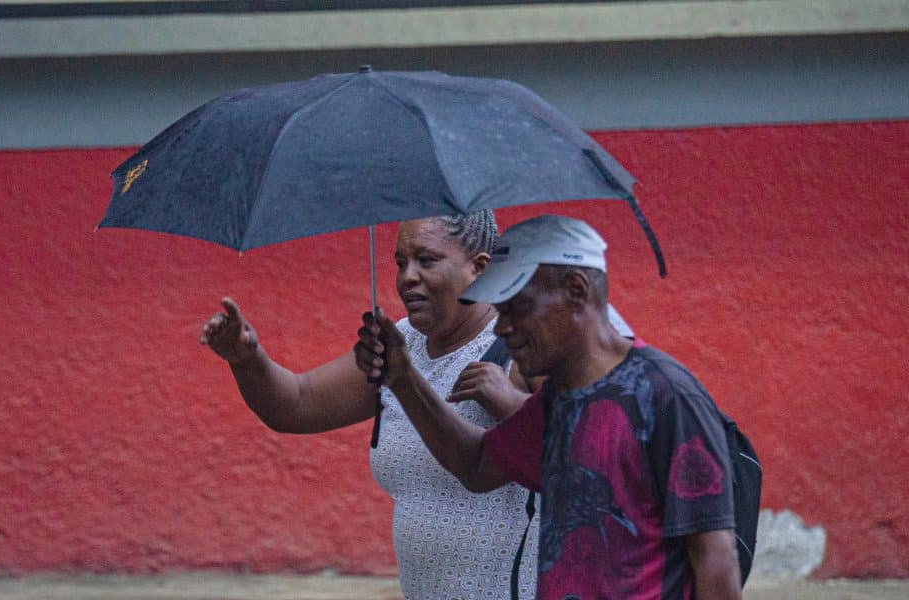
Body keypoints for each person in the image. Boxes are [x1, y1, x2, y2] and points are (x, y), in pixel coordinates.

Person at [355, 215, 742, 600]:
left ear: (576, 290)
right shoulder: (558, 400)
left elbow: (713, 554)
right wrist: (404, 379)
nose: (502, 328)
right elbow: (475, 466)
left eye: (517, 308)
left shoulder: (666, 396)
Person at [200, 211, 542, 599]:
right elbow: (298, 402)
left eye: (426, 260)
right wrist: (247, 359)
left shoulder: (518, 346)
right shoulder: (400, 345)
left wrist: (513, 404)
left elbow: (573, 452)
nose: (407, 277)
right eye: (400, 263)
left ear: (479, 269)